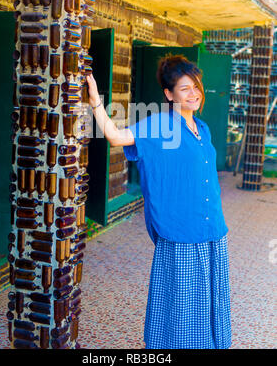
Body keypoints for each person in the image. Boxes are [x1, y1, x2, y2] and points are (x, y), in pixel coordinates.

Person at [86, 54, 231, 349]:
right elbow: (115, 137)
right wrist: (95, 103)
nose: (194, 94)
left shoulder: (203, 129)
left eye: (196, 87)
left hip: (213, 227)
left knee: (210, 298)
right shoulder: (160, 127)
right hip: (179, 231)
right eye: (184, 88)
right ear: (168, 94)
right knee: (180, 303)